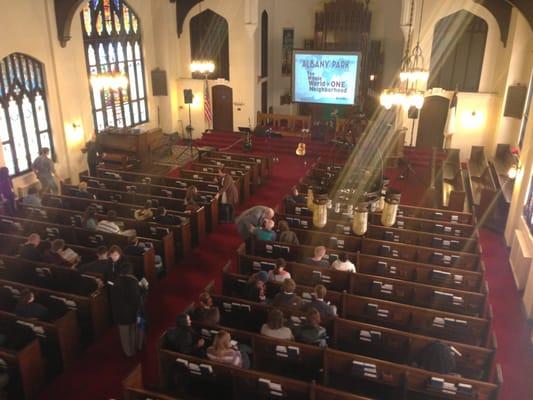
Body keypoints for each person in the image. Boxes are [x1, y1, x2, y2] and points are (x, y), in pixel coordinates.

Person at [111, 263, 141, 356]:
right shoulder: (133, 281)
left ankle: (128, 352)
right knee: (132, 330)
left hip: (120, 312)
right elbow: (136, 298)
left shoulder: (116, 282)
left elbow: (113, 299)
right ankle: (134, 349)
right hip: (132, 311)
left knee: (124, 334)